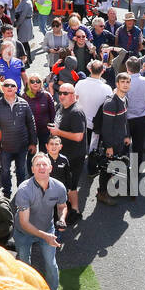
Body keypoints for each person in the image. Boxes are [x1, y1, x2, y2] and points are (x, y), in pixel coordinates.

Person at [13, 153, 68, 290]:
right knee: (25, 264)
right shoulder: (23, 190)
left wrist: (62, 218)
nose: (41, 167)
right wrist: (46, 236)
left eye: (44, 164)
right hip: (23, 233)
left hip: (47, 229)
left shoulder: (59, 187)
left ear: (50, 168)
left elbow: (62, 206)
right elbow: (24, 223)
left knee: (51, 264)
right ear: (32, 169)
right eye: (38, 165)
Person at [0, 77, 38, 193]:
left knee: (21, 170)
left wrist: (33, 143)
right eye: (7, 85)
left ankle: (21, 192)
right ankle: (7, 191)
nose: (10, 87)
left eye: (12, 85)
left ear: (16, 89)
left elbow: (31, 123)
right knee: (5, 171)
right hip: (4, 148)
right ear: (2, 88)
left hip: (22, 146)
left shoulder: (24, 104)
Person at [48, 82, 88, 224]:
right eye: (60, 93)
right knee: (65, 183)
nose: (62, 96)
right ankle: (69, 205)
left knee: (71, 185)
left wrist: (58, 132)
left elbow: (78, 136)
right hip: (64, 153)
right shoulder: (61, 107)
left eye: (66, 93)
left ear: (73, 96)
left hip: (74, 156)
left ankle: (76, 211)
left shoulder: (76, 112)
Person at [93, 72, 133, 207]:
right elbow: (106, 128)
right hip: (111, 143)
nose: (125, 84)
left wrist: (127, 135)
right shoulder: (110, 103)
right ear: (117, 84)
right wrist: (109, 146)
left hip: (121, 141)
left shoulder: (125, 99)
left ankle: (116, 189)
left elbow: (124, 120)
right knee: (106, 169)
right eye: (123, 82)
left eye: (128, 82)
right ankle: (102, 193)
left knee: (118, 165)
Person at [25, 74, 57, 152]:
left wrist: (52, 129)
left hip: (45, 130)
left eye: (38, 81)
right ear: (29, 84)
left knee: (44, 154)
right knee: (30, 155)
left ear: (41, 83)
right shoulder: (24, 97)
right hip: (30, 131)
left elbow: (53, 114)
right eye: (32, 81)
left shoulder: (47, 95)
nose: (35, 83)